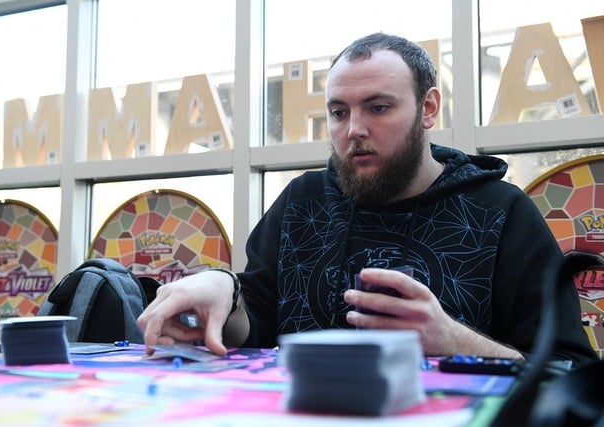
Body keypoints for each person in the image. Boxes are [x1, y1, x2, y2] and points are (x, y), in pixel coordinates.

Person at [138, 32, 598, 368]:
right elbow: (255, 321)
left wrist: (454, 339)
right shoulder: (303, 201)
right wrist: (224, 295)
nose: (353, 129)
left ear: (429, 109)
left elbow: (569, 371)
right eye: (339, 112)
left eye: (378, 108)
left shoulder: (502, 212)